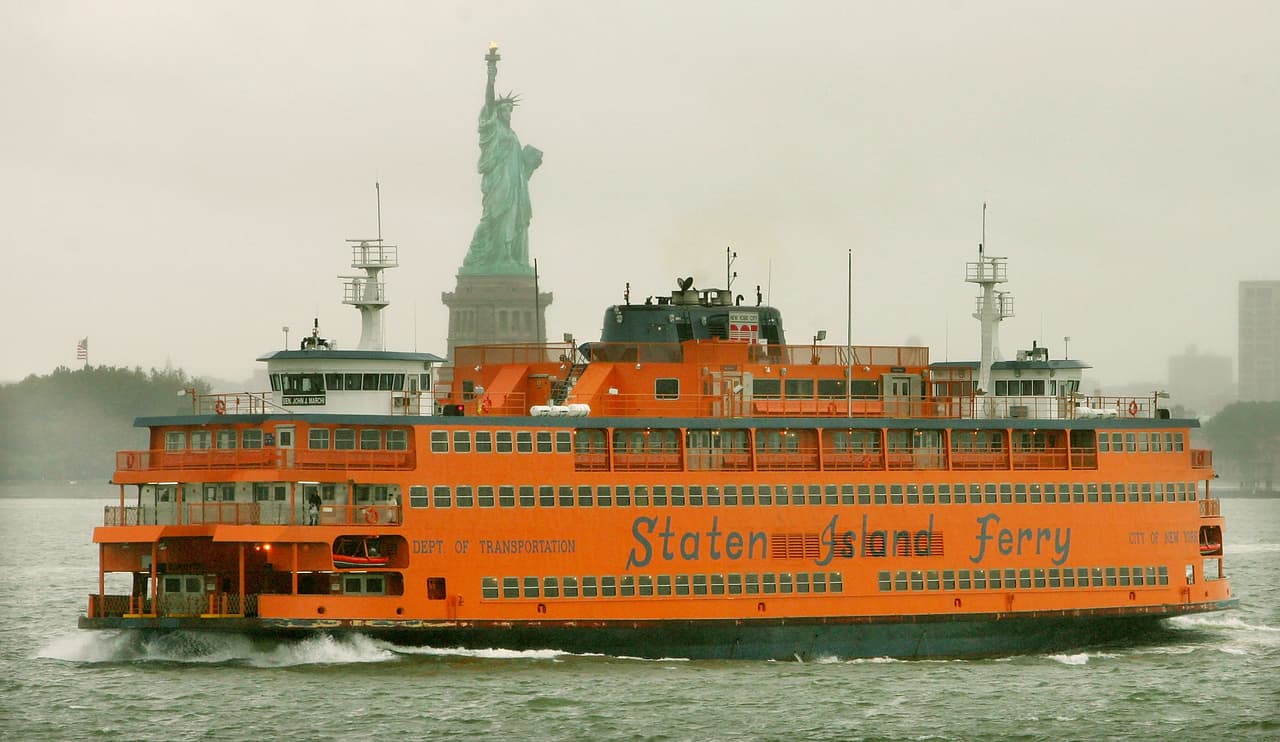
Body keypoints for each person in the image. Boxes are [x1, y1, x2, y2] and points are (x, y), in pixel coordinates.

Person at [460, 46, 542, 276]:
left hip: (514, 186)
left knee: (513, 217)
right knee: (495, 217)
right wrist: (491, 74)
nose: (507, 113)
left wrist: (530, 163)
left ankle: (509, 256)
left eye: (509, 110)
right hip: (497, 183)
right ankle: (493, 256)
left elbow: (520, 168)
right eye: (504, 109)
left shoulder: (514, 136)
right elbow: (488, 100)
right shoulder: (493, 128)